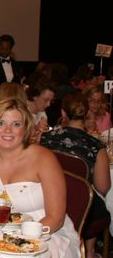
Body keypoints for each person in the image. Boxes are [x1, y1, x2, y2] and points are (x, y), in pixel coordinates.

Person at [0, 97, 80, 258]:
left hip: (46, 236)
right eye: (1, 123)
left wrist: (16, 241)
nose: (8, 130)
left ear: (25, 128)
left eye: (16, 124)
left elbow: (56, 218)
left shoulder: (43, 159)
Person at [40, 93, 111, 258]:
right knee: (96, 200)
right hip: (81, 205)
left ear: (63, 113)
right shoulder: (96, 146)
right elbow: (103, 186)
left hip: (47, 200)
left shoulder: (45, 139)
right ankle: (91, 251)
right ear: (86, 114)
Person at [25, 74, 56, 142]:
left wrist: (46, 129)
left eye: (51, 101)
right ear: (34, 96)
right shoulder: (22, 112)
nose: (48, 104)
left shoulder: (42, 113)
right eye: (45, 100)